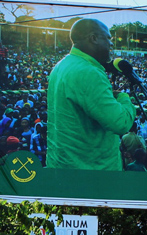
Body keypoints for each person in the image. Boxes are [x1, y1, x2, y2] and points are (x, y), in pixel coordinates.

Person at [47, 18, 135, 171]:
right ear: (93, 38)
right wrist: (123, 98)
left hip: (63, 163)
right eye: (108, 38)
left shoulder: (61, 65)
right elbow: (120, 123)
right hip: (91, 171)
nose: (111, 44)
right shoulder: (89, 72)